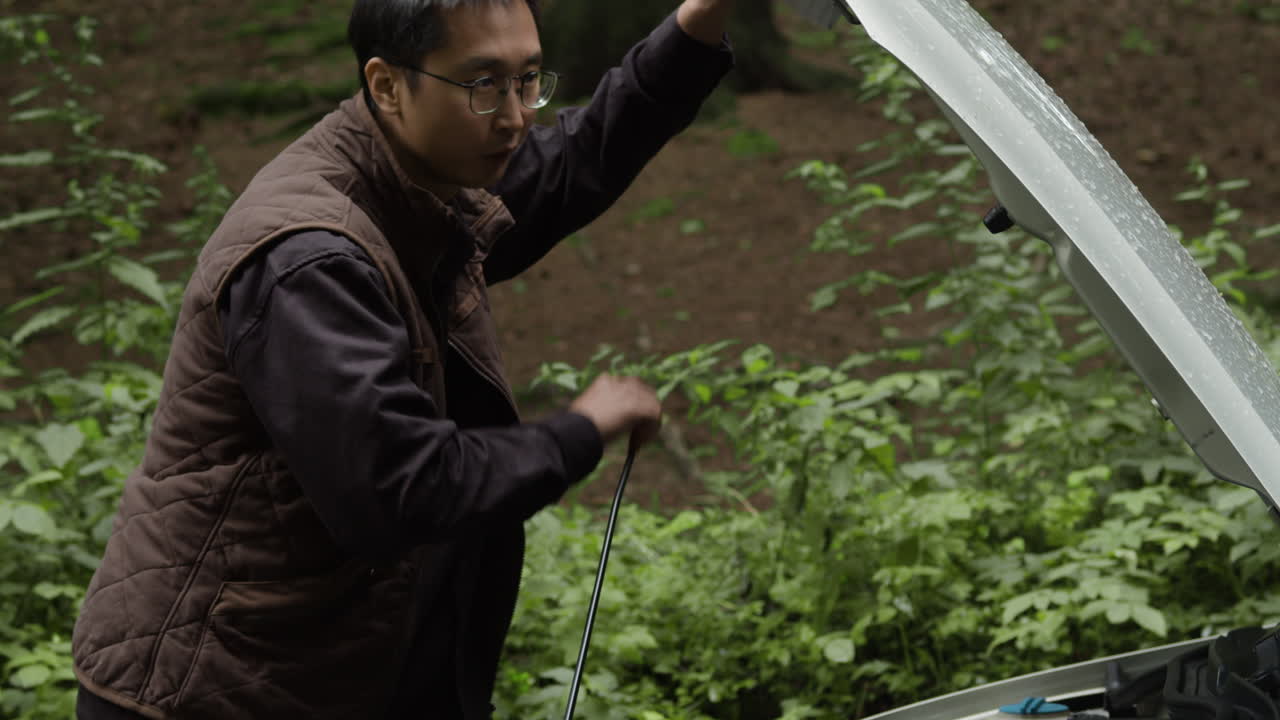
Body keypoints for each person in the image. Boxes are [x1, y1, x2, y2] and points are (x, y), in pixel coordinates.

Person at [70, 0, 735, 718]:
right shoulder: (309, 258)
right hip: (214, 688)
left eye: (529, 80)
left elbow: (579, 156)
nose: (514, 116)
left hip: (339, 671)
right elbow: (397, 488)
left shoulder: (426, 180)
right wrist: (577, 430)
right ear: (387, 85)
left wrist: (697, 22)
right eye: (485, 85)